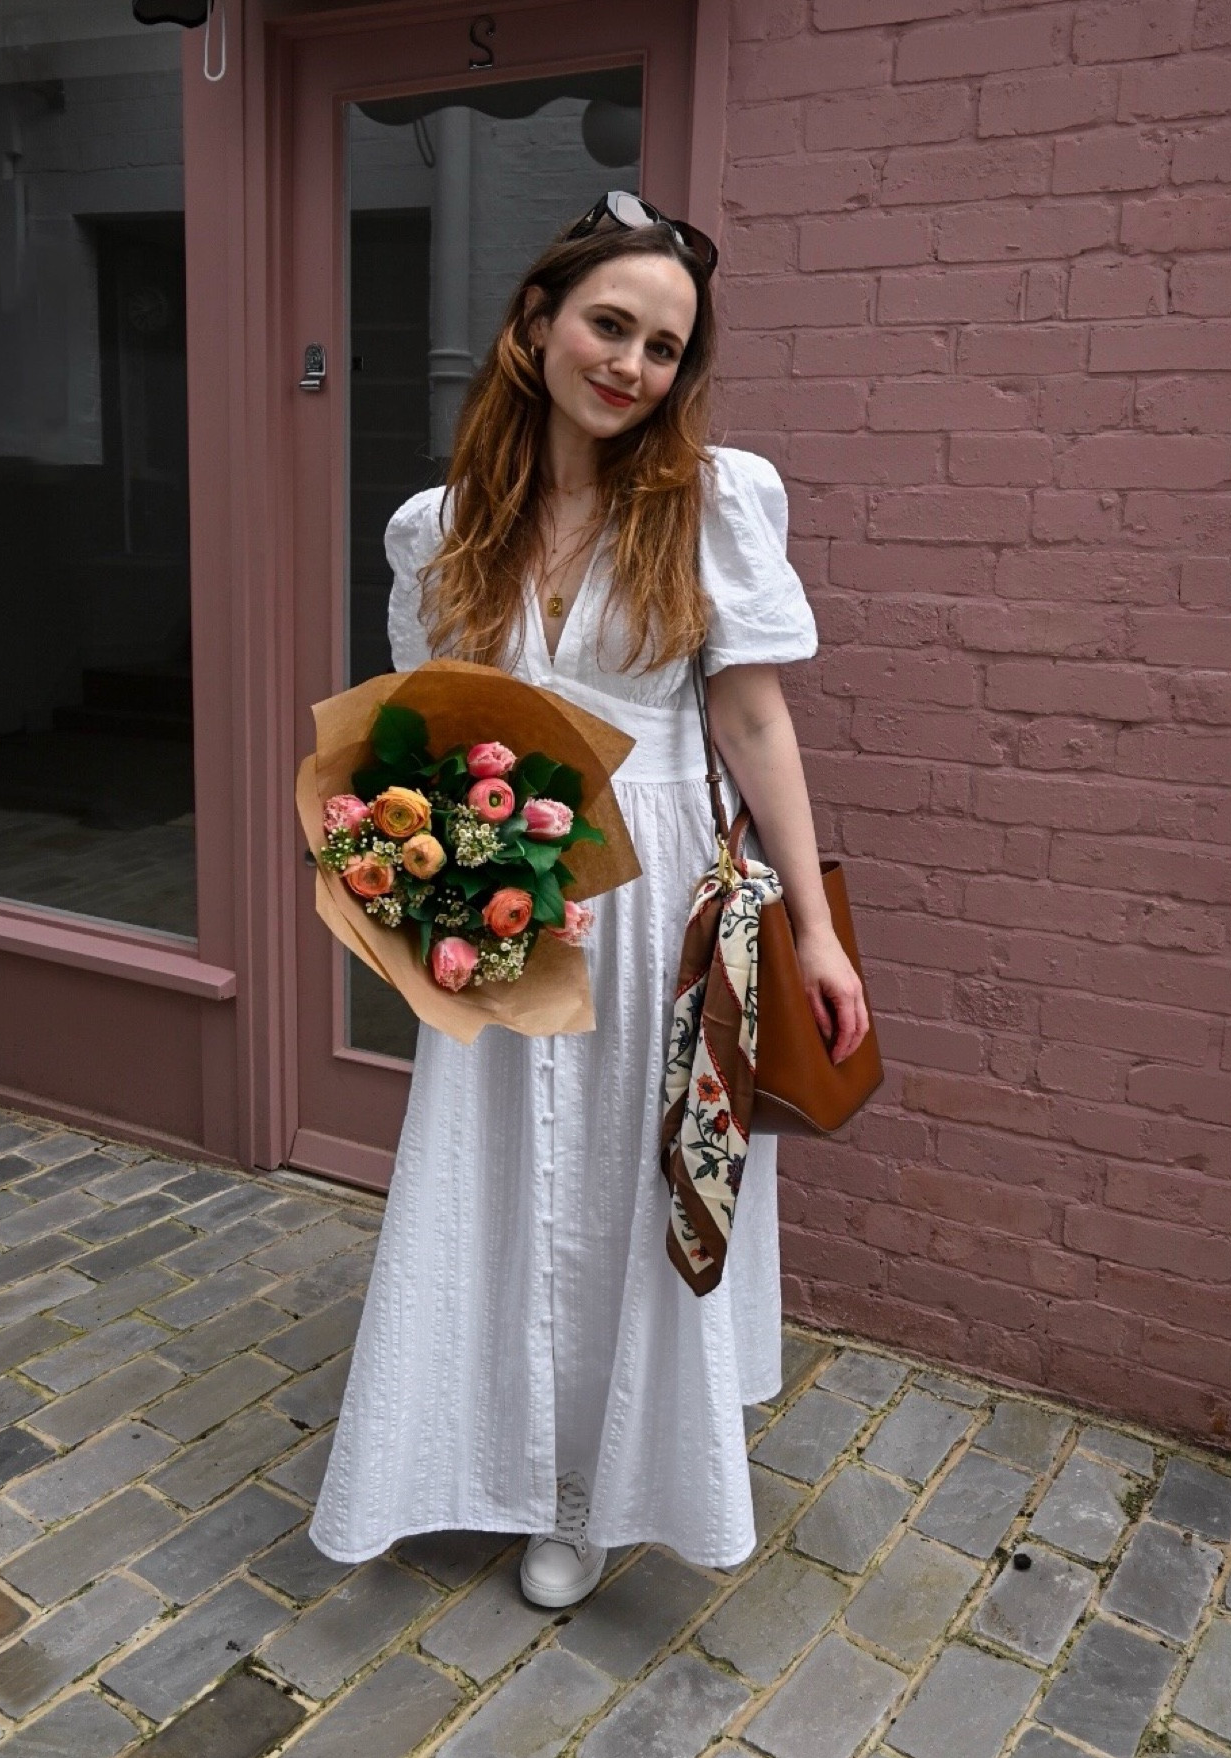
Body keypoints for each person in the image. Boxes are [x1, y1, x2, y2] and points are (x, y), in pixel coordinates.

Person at [310, 191, 870, 1608]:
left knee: (632, 1192)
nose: (630, 364)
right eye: (608, 325)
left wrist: (810, 925)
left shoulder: (712, 499)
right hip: (510, 896)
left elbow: (752, 725)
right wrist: (415, 875)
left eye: (663, 347)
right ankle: (473, 1456)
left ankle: (590, 1496)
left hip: (663, 895)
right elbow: (418, 735)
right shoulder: (436, 527)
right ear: (536, 325)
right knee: (495, 1183)